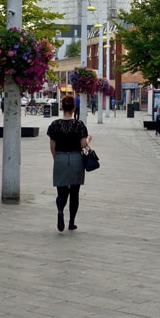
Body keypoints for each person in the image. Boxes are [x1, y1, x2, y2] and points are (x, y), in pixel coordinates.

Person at [47, 95, 92, 232]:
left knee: (61, 192)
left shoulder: (54, 125)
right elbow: (83, 144)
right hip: (76, 159)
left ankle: (60, 210)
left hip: (60, 159)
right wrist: (89, 138)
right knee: (74, 192)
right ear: (74, 108)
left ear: (62, 107)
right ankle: (71, 222)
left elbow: (52, 147)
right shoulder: (79, 125)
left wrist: (58, 159)